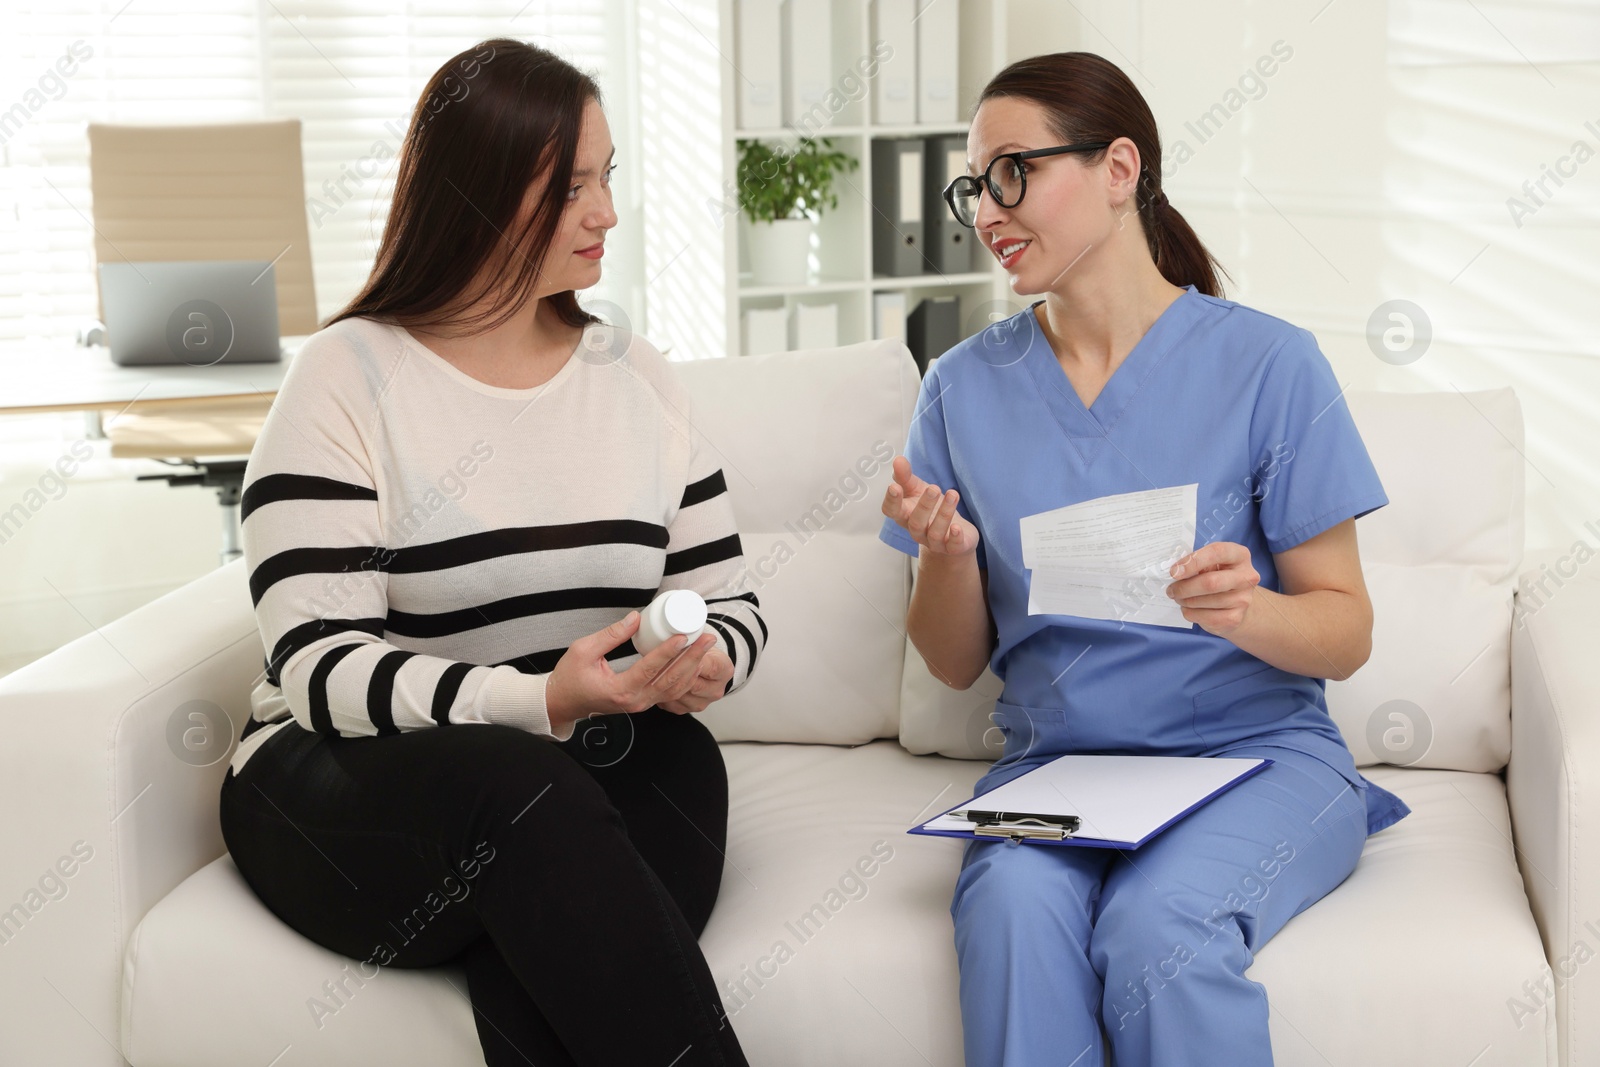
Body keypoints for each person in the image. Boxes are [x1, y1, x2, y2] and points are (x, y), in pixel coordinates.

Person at [220, 38, 763, 1067]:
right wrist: (541, 702)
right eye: (570, 188)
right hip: (346, 776)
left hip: (555, 783)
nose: (606, 211)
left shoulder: (632, 374)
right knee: (529, 793)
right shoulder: (346, 377)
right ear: (474, 196)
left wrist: (708, 654)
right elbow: (322, 669)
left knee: (651, 785)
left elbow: (728, 595)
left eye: (609, 177)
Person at [877, 52, 1410, 1067]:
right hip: (1061, 768)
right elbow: (952, 663)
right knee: (1012, 910)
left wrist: (1247, 609)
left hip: (1259, 761)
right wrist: (946, 555)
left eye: (1012, 171)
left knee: (1158, 929)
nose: (986, 209)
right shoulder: (959, 386)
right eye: (973, 184)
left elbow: (1345, 632)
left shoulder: (1269, 364)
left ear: (1119, 169)